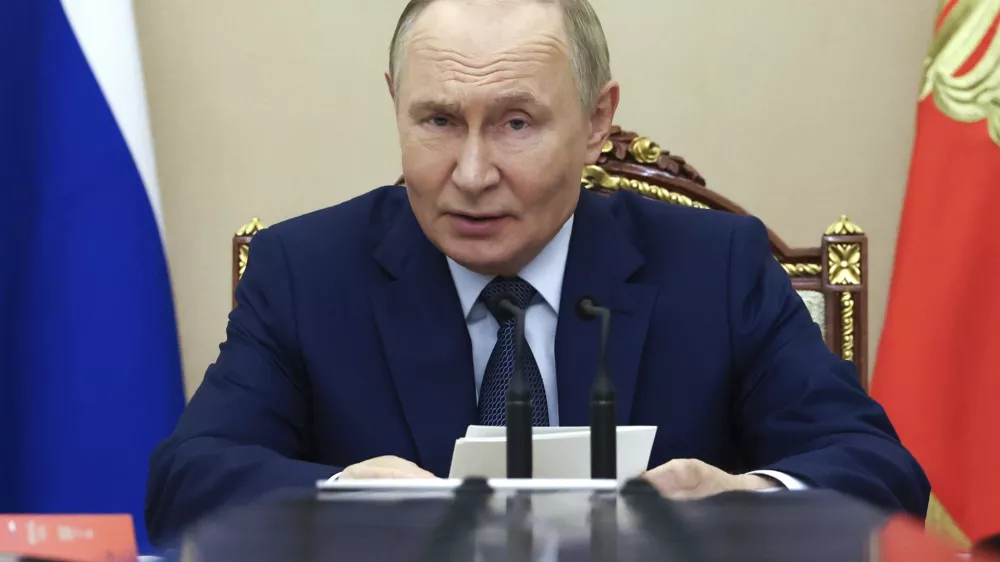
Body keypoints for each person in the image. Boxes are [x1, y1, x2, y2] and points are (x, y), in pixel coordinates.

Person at [144, 0, 930, 546]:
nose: (472, 173)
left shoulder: (715, 267)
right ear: (395, 103)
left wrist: (746, 502)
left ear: (596, 121)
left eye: (515, 123)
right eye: (438, 120)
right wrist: (346, 501)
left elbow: (880, 476)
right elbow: (188, 482)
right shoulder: (306, 273)